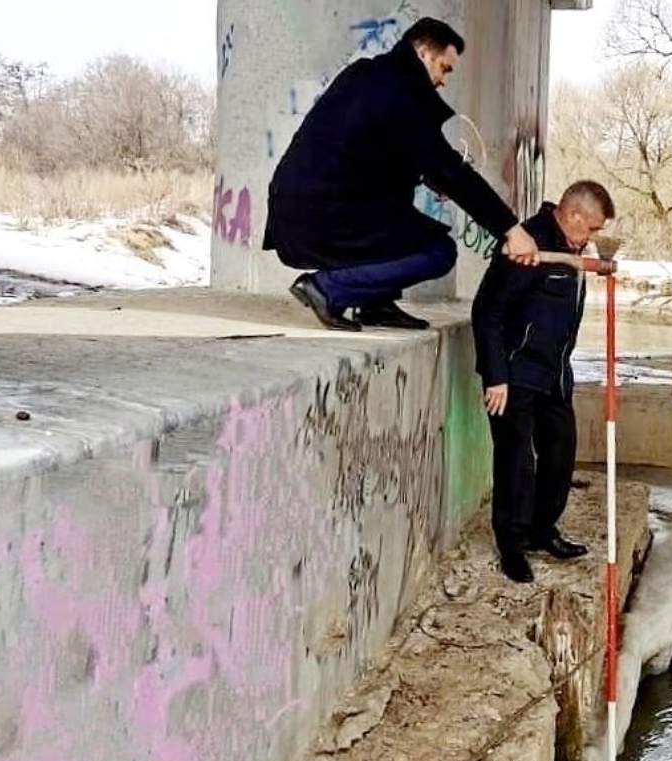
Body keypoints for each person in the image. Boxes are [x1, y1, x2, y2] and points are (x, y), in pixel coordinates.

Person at [262, 17, 539, 332]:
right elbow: (449, 169)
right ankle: (327, 289)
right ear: (422, 51)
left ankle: (375, 303)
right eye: (444, 67)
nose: (444, 80)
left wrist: (430, 176)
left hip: (301, 207)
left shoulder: (368, 75)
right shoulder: (402, 95)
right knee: (438, 251)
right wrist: (510, 229)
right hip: (320, 216)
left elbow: (368, 154)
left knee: (402, 218)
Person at [471, 181, 616, 583]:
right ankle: (512, 545)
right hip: (515, 374)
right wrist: (496, 376)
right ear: (573, 216)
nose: (593, 239)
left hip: (554, 375)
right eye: (592, 229)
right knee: (516, 461)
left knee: (560, 453)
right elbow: (487, 313)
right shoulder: (527, 244)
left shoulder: (569, 251)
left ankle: (541, 529)